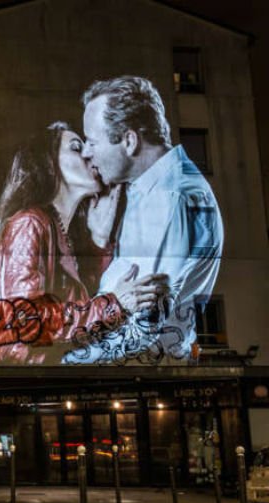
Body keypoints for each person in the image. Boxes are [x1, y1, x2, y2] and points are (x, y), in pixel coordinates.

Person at [0, 122, 168, 365]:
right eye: (76, 148)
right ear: (49, 163)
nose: (88, 153)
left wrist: (98, 238)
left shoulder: (62, 232)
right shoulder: (29, 224)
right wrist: (114, 305)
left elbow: (80, 302)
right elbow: (26, 320)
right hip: (19, 377)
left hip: (49, 375)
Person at [63, 76, 223, 364]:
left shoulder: (169, 199)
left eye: (93, 142)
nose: (87, 152)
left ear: (129, 140)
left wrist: (66, 363)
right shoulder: (148, 190)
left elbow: (144, 326)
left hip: (141, 379)